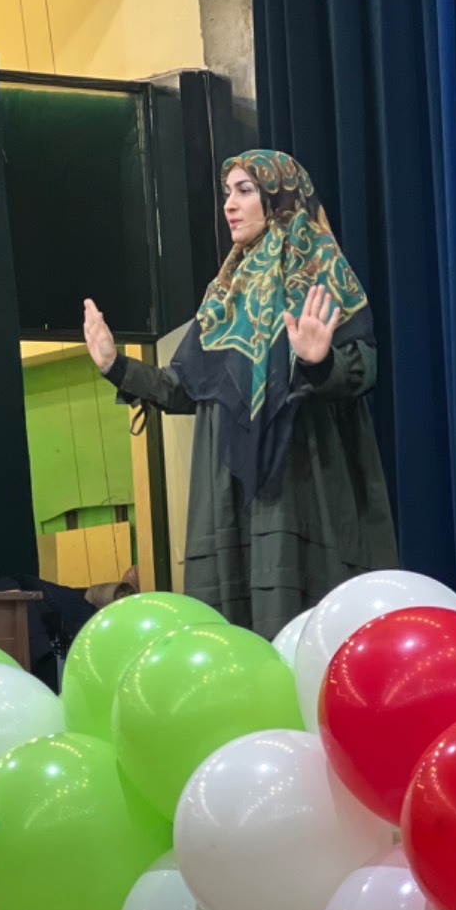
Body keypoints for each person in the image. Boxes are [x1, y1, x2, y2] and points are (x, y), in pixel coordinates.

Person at [83, 149, 397, 638]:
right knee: (231, 633)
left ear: (278, 198)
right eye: (227, 192)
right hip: (226, 497)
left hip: (300, 484)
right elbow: (187, 388)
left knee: (304, 626)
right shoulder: (224, 294)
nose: (229, 204)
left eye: (244, 191)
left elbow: (361, 370)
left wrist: (319, 361)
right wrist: (116, 366)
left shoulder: (321, 276)